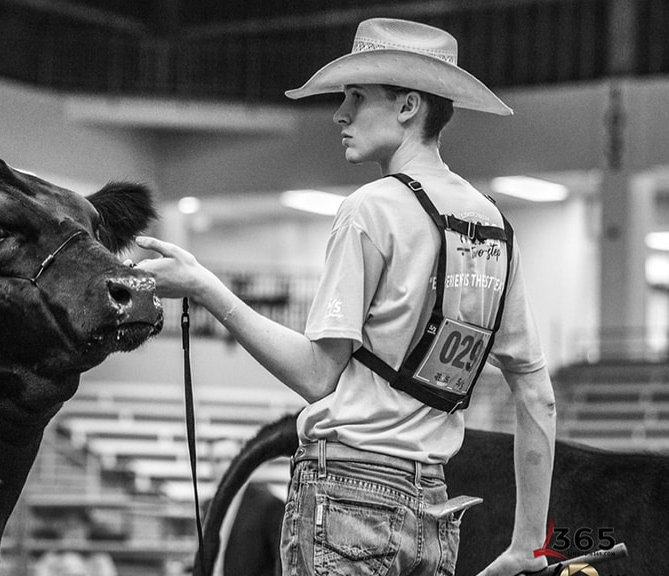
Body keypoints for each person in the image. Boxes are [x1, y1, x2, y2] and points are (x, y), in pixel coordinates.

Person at [134, 17, 557, 576]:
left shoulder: (372, 209)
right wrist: (528, 545)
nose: (340, 114)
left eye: (357, 97)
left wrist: (204, 288)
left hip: (348, 500)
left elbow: (317, 376)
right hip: (435, 509)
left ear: (408, 106)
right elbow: (537, 395)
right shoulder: (494, 227)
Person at [204, 438, 284, 576]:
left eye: (229, 459)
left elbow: (281, 562)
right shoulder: (208, 507)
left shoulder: (268, 504)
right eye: (217, 460)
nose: (224, 466)